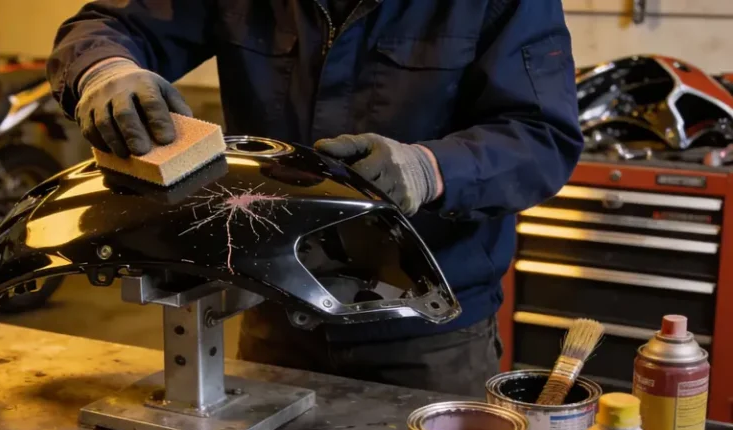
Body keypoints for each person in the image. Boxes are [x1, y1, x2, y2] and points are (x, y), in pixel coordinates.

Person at [48, 1, 582, 397]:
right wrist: (106, 70)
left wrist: (429, 169)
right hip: (275, 309)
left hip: (427, 337)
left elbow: (541, 138)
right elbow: (110, 26)